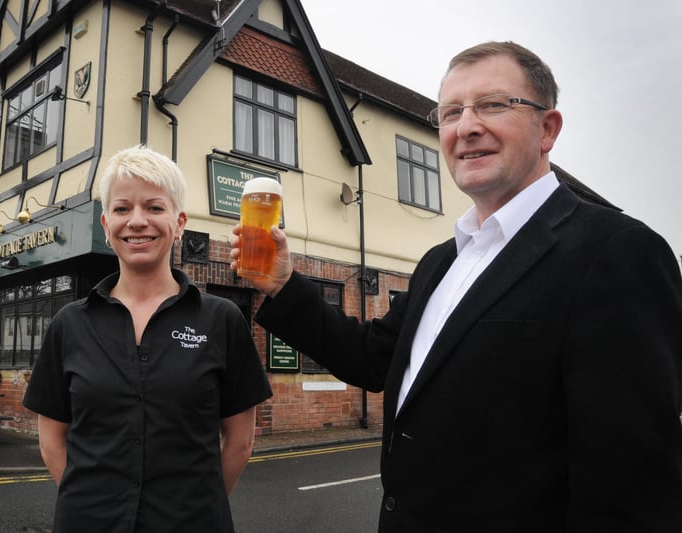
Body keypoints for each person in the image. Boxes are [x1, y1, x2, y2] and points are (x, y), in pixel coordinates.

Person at [230, 41, 682, 532]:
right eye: (450, 112)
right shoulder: (440, 262)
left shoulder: (618, 252)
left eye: (492, 104)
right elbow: (370, 357)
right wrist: (282, 285)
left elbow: (632, 485)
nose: (466, 126)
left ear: (547, 128)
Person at [24, 144, 272, 532]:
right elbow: (52, 441)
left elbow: (239, 442)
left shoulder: (222, 319)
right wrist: (92, 508)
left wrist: (193, 512)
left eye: (155, 207)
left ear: (179, 222)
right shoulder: (69, 325)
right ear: (106, 226)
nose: (137, 221)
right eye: (123, 209)